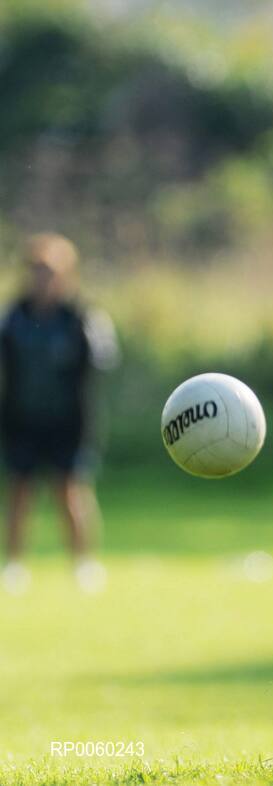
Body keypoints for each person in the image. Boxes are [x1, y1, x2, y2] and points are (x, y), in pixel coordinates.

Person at [1, 233, 120, 595]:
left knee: (71, 491)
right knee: (19, 491)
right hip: (22, 419)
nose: (41, 278)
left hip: (68, 423)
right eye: (35, 270)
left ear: (65, 275)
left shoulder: (81, 318)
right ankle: (14, 564)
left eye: (49, 271)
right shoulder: (13, 318)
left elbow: (101, 362)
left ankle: (83, 563)